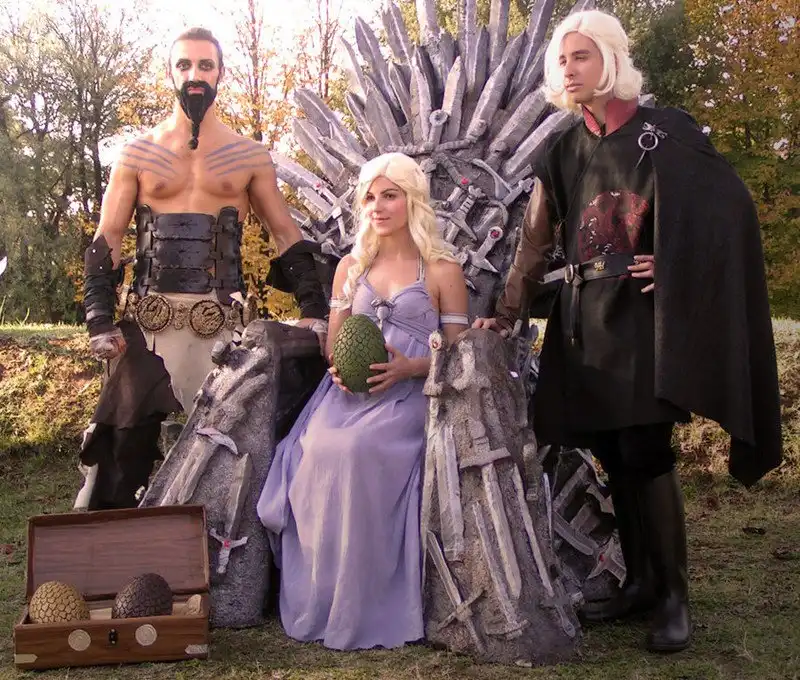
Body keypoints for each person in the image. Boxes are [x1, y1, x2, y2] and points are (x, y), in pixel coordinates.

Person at [474, 10, 781, 653]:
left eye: (582, 56)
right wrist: (505, 314)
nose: (569, 68)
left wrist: (672, 259)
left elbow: (730, 214)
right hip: (584, 319)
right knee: (613, 452)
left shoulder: (665, 133)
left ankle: (673, 598)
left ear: (610, 59)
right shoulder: (562, 149)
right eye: (562, 59)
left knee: (646, 450)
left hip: (642, 319)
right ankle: (639, 583)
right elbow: (534, 243)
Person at [80, 27, 329, 507]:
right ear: (170, 73)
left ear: (220, 74)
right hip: (148, 325)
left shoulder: (248, 155)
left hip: (222, 326)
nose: (194, 75)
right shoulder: (137, 152)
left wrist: (314, 310)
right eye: (184, 65)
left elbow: (284, 234)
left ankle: (219, 553)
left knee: (230, 454)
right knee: (118, 452)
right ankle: (113, 550)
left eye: (205, 65)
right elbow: (108, 236)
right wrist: (99, 317)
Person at [257, 152, 469, 650]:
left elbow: (461, 355)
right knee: (316, 449)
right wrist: (338, 368)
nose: (378, 206)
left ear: (412, 200)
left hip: (413, 394)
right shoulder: (351, 268)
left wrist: (410, 367)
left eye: (390, 195)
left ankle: (369, 599)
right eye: (370, 197)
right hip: (347, 395)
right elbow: (335, 344)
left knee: (359, 451)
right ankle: (322, 593)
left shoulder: (442, 269)